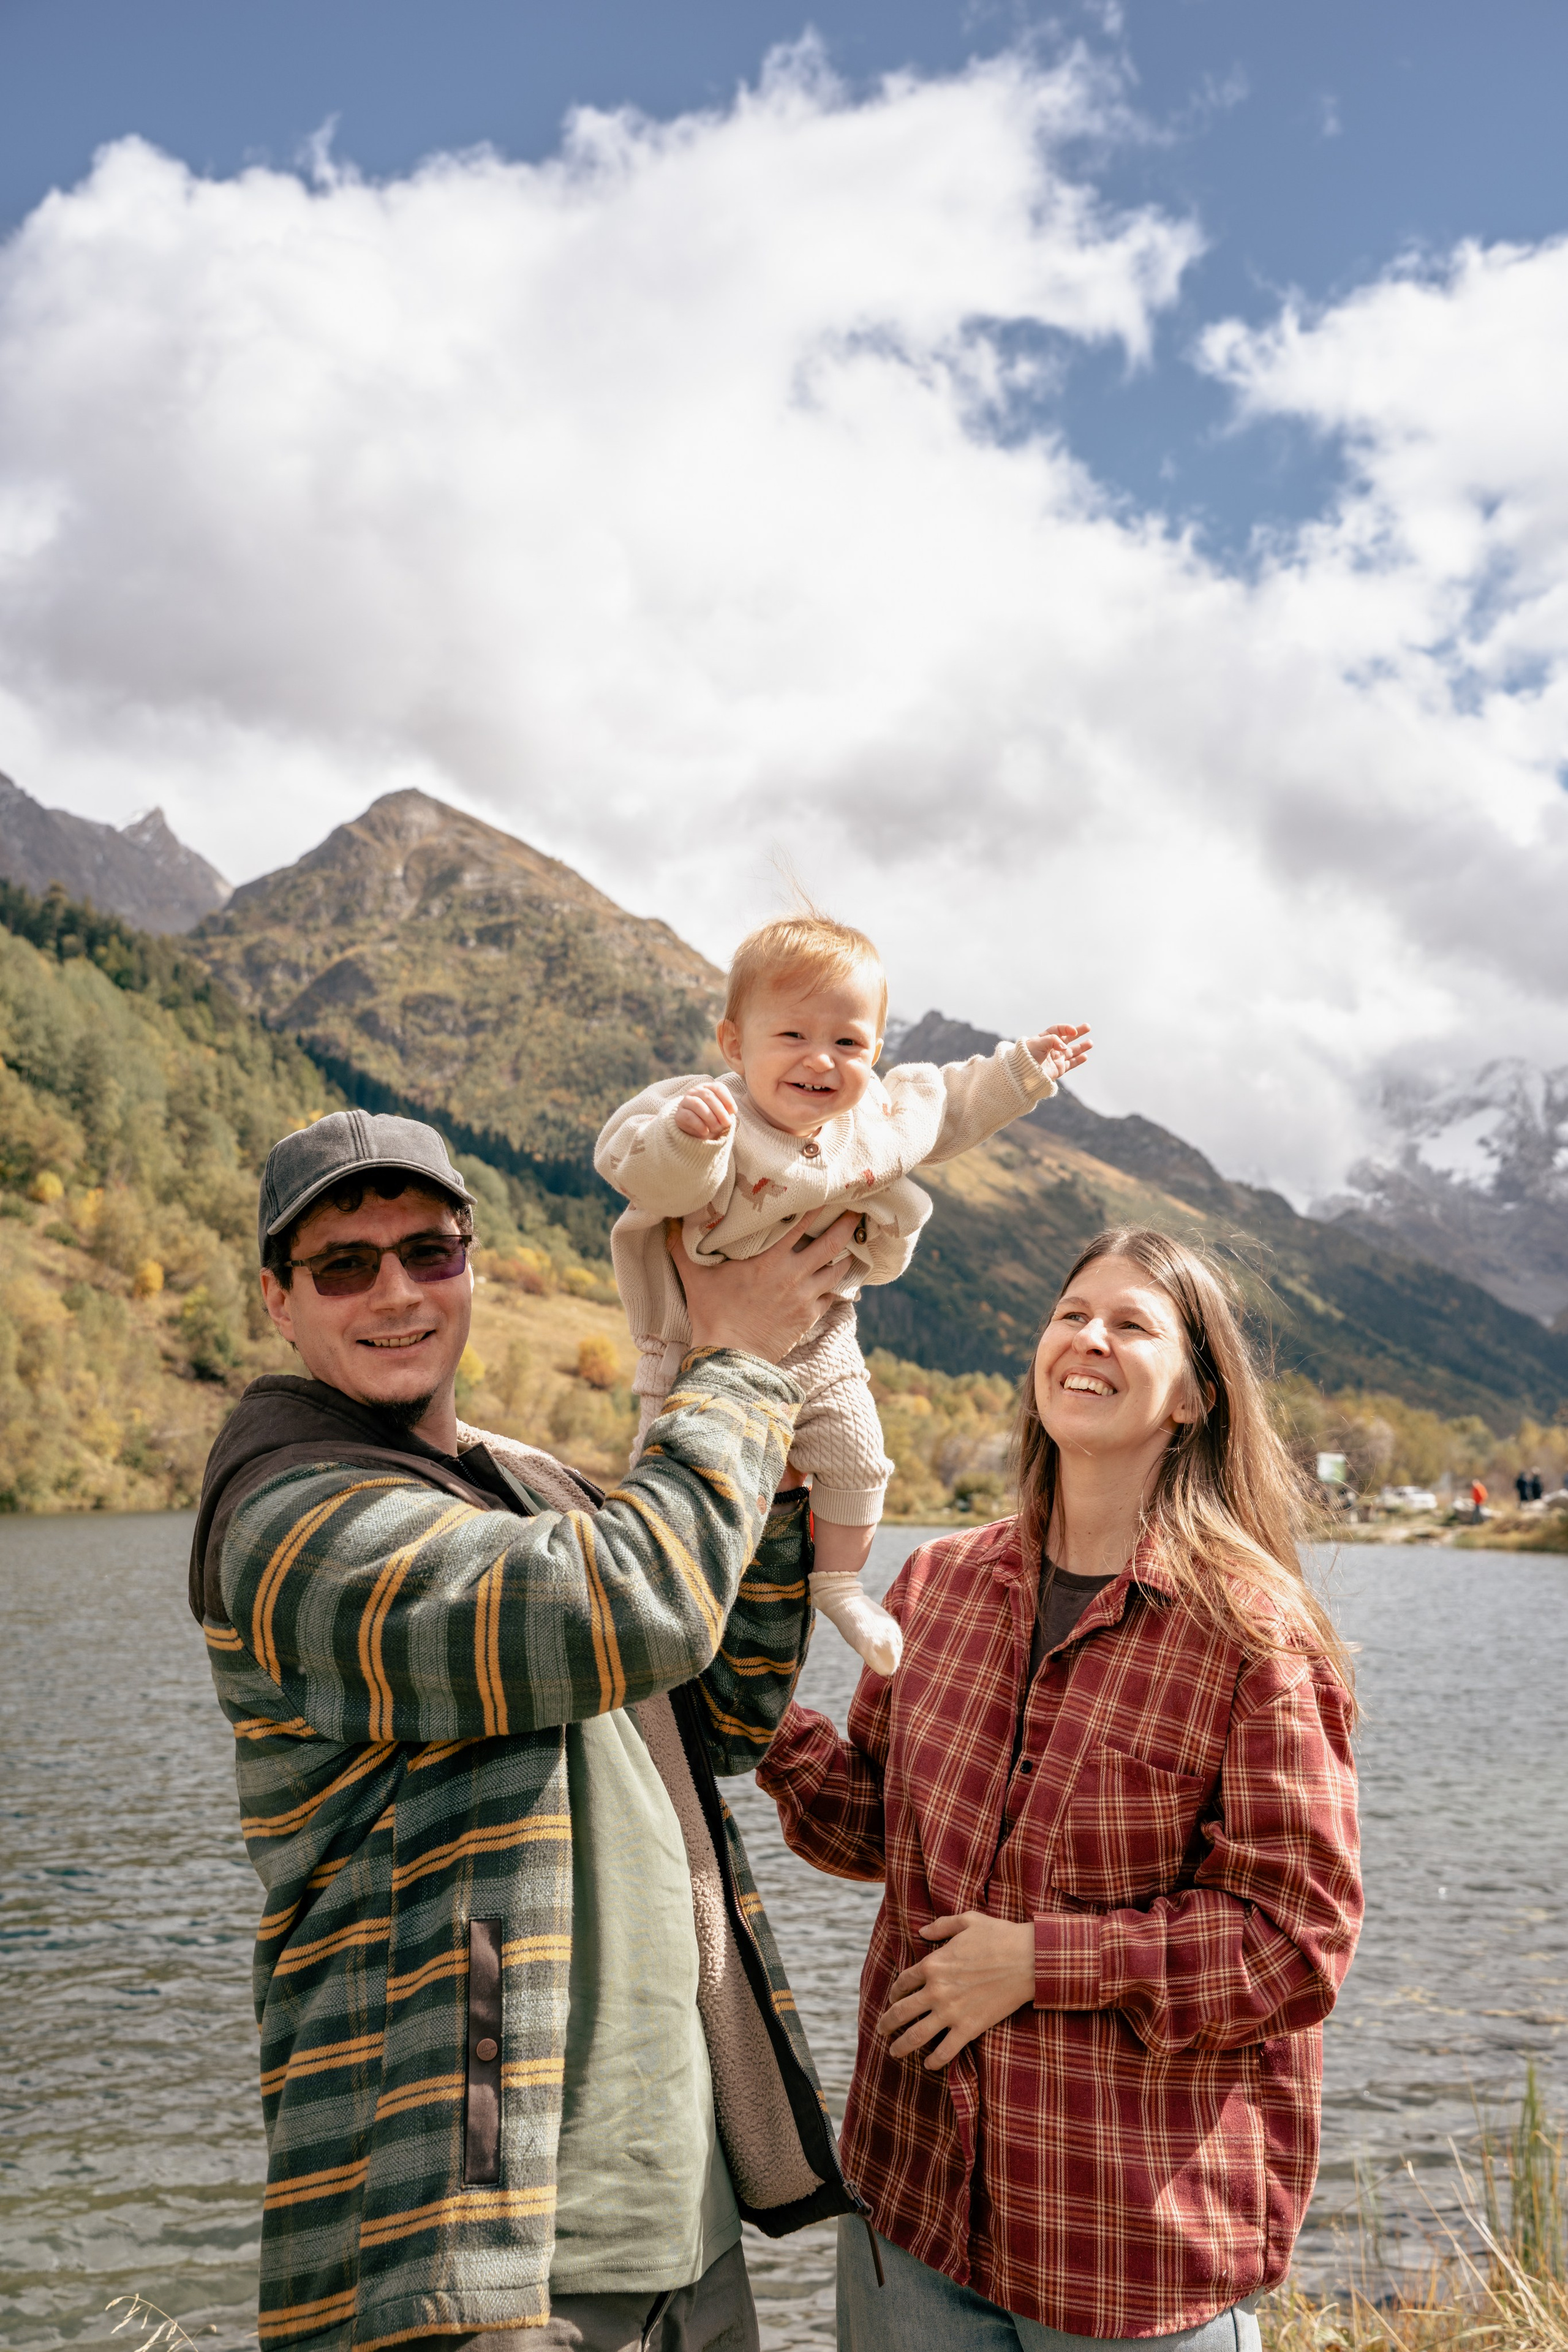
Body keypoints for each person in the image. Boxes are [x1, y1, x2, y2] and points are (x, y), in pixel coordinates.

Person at [189, 1109, 865, 2352]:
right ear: (280, 1302)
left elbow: (719, 1709)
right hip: (482, 2248)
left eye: (429, 1252)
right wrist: (738, 1369)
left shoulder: (529, 1483)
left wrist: (773, 1469)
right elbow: (628, 1602)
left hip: (680, 2218)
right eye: (345, 1264)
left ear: (471, 1269)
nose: (394, 1290)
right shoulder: (289, 1521)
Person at [758, 1226, 1363, 2350]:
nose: (1088, 1339)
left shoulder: (1253, 1634)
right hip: (911, 2209)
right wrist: (754, 1713)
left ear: (1193, 1397)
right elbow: (879, 1830)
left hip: (1127, 2254)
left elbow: (1295, 1940)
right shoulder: (939, 1584)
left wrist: (1039, 1964)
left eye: (1133, 1325)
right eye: (1070, 1314)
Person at [595, 912, 1091, 1675]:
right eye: (793, 1036)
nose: (821, 1060)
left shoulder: (872, 1121)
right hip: (695, 1342)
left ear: (876, 1053)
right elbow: (655, 1181)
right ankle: (651, 1616)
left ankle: (838, 1585)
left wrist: (1025, 1070)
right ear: (735, 1044)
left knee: (860, 1464)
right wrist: (690, 1138)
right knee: (671, 1477)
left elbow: (951, 1110)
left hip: (823, 1336)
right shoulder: (713, 1114)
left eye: (849, 1042)